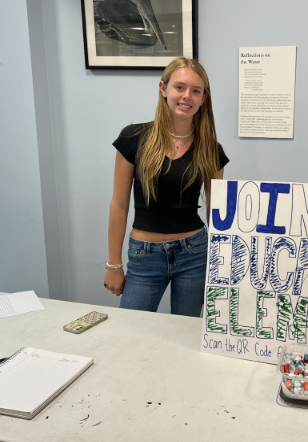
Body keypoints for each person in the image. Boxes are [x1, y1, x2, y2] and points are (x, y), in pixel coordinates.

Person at [104, 58, 228, 317]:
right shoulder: (133, 138)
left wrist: (217, 271)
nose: (187, 96)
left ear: (204, 98)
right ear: (163, 88)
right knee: (130, 331)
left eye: (196, 91)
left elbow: (217, 214)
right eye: (179, 87)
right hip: (144, 255)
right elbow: (119, 204)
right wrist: (114, 264)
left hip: (194, 253)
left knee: (185, 335)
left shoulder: (211, 150)